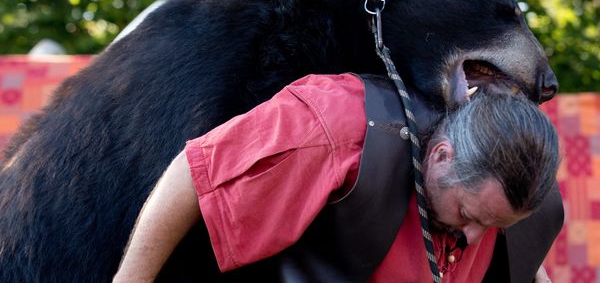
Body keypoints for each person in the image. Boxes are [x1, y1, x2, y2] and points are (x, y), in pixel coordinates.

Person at [113, 74, 561, 282]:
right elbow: (198, 173)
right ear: (442, 156)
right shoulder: (339, 126)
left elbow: (523, 257)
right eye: (467, 214)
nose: (472, 237)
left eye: (493, 226)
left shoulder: (514, 187)